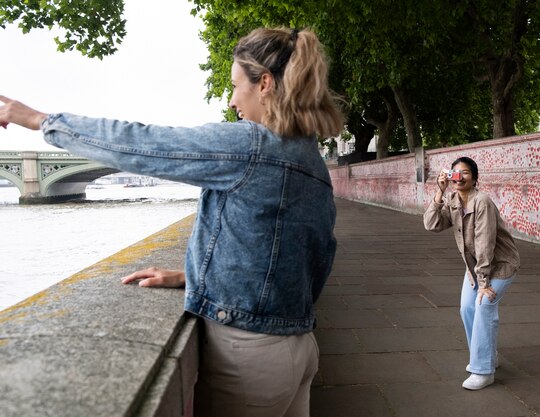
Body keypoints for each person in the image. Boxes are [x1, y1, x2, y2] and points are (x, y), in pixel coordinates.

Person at [0, 27, 343, 417]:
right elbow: (306, 254)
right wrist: (194, 274)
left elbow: (141, 144)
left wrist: (43, 120)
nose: (232, 100)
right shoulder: (311, 162)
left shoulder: (249, 146)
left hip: (246, 357)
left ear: (264, 83)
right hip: (298, 347)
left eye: (235, 86)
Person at [423, 156, 520, 390]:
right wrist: (439, 193)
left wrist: (484, 282)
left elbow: (484, 243)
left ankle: (483, 370)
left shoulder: (482, 201)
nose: (459, 176)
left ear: (475, 178)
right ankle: (487, 356)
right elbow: (431, 224)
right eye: (455, 172)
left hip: (500, 265)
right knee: (466, 308)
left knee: (483, 305)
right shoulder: (454, 200)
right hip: (476, 268)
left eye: (465, 172)